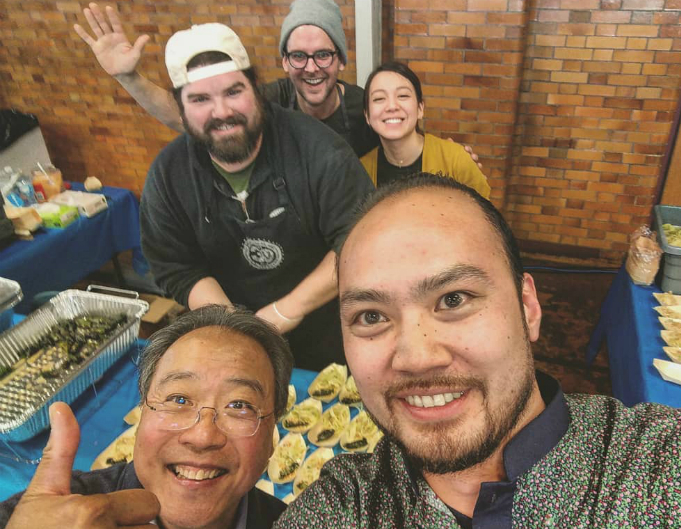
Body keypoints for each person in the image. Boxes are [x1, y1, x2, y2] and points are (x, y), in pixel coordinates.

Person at [260, 173, 681, 529]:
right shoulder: (336, 517)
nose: (415, 356)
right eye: (371, 315)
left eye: (453, 299)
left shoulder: (678, 471)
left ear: (528, 308)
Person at [139, 23, 373, 371]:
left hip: (331, 337)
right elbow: (176, 266)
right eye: (200, 99)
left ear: (256, 90)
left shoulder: (322, 152)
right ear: (181, 109)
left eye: (234, 91)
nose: (221, 111)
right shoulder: (169, 175)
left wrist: (284, 312)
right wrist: (235, 325)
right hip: (231, 339)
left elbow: (359, 242)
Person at [0, 305, 292, 529]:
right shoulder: (35, 524)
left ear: (272, 438)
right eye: (178, 399)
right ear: (141, 414)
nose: (203, 436)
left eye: (239, 405)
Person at [73, 0, 379, 157]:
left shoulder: (363, 108)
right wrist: (129, 77)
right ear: (285, 61)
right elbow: (186, 117)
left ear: (340, 60)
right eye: (299, 55)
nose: (311, 68)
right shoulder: (267, 102)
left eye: (323, 55)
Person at [360, 62, 491, 198]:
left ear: (420, 109)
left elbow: (486, 215)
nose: (392, 106)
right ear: (367, 115)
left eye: (403, 96)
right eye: (379, 98)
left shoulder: (456, 161)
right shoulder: (361, 171)